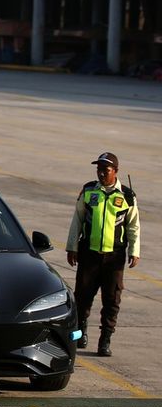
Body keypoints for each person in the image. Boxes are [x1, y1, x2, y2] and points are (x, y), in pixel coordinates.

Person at [65, 152, 140, 357]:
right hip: (89, 254)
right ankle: (81, 332)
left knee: (112, 300)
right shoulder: (89, 191)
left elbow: (133, 226)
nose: (101, 173)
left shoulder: (126, 196)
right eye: (98, 169)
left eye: (105, 170)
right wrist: (72, 246)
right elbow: (77, 220)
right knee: (82, 296)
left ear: (115, 171)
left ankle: (105, 340)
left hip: (114, 257)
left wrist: (134, 250)